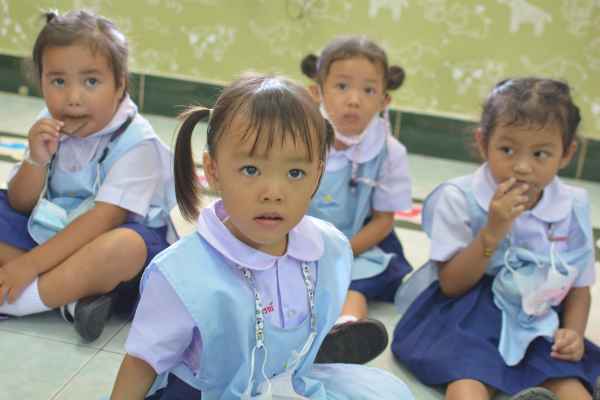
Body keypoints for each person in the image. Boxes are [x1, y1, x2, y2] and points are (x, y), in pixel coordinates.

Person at [109, 74, 414, 399]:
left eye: (295, 173)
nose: (273, 193)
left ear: (317, 175)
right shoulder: (182, 275)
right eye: (251, 170)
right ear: (213, 170)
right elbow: (141, 365)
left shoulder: (326, 248)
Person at [392, 78, 600, 400]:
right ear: (483, 142)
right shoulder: (459, 197)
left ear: (566, 153)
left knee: (573, 389)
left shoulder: (572, 206)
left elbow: (579, 288)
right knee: (466, 386)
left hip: (537, 319)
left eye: (541, 153)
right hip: (467, 314)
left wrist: (572, 332)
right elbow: (451, 284)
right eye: (507, 150)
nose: (522, 167)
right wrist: (492, 231)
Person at [0, 10, 175, 342]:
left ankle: (21, 301)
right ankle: (72, 297)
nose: (73, 98)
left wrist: (28, 266)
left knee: (123, 247)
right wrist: (36, 160)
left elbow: (102, 221)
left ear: (120, 85)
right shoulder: (48, 123)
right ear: (41, 81)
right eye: (58, 81)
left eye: (91, 82)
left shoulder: (137, 143)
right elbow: (20, 203)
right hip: (53, 231)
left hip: (111, 250)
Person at [301, 36, 413, 364]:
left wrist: (342, 252)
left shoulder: (389, 151)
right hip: (296, 234)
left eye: (368, 90)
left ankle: (346, 331)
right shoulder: (299, 136)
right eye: (341, 86)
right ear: (317, 92)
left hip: (359, 242)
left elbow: (383, 221)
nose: (354, 100)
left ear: (384, 100)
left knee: (356, 283)